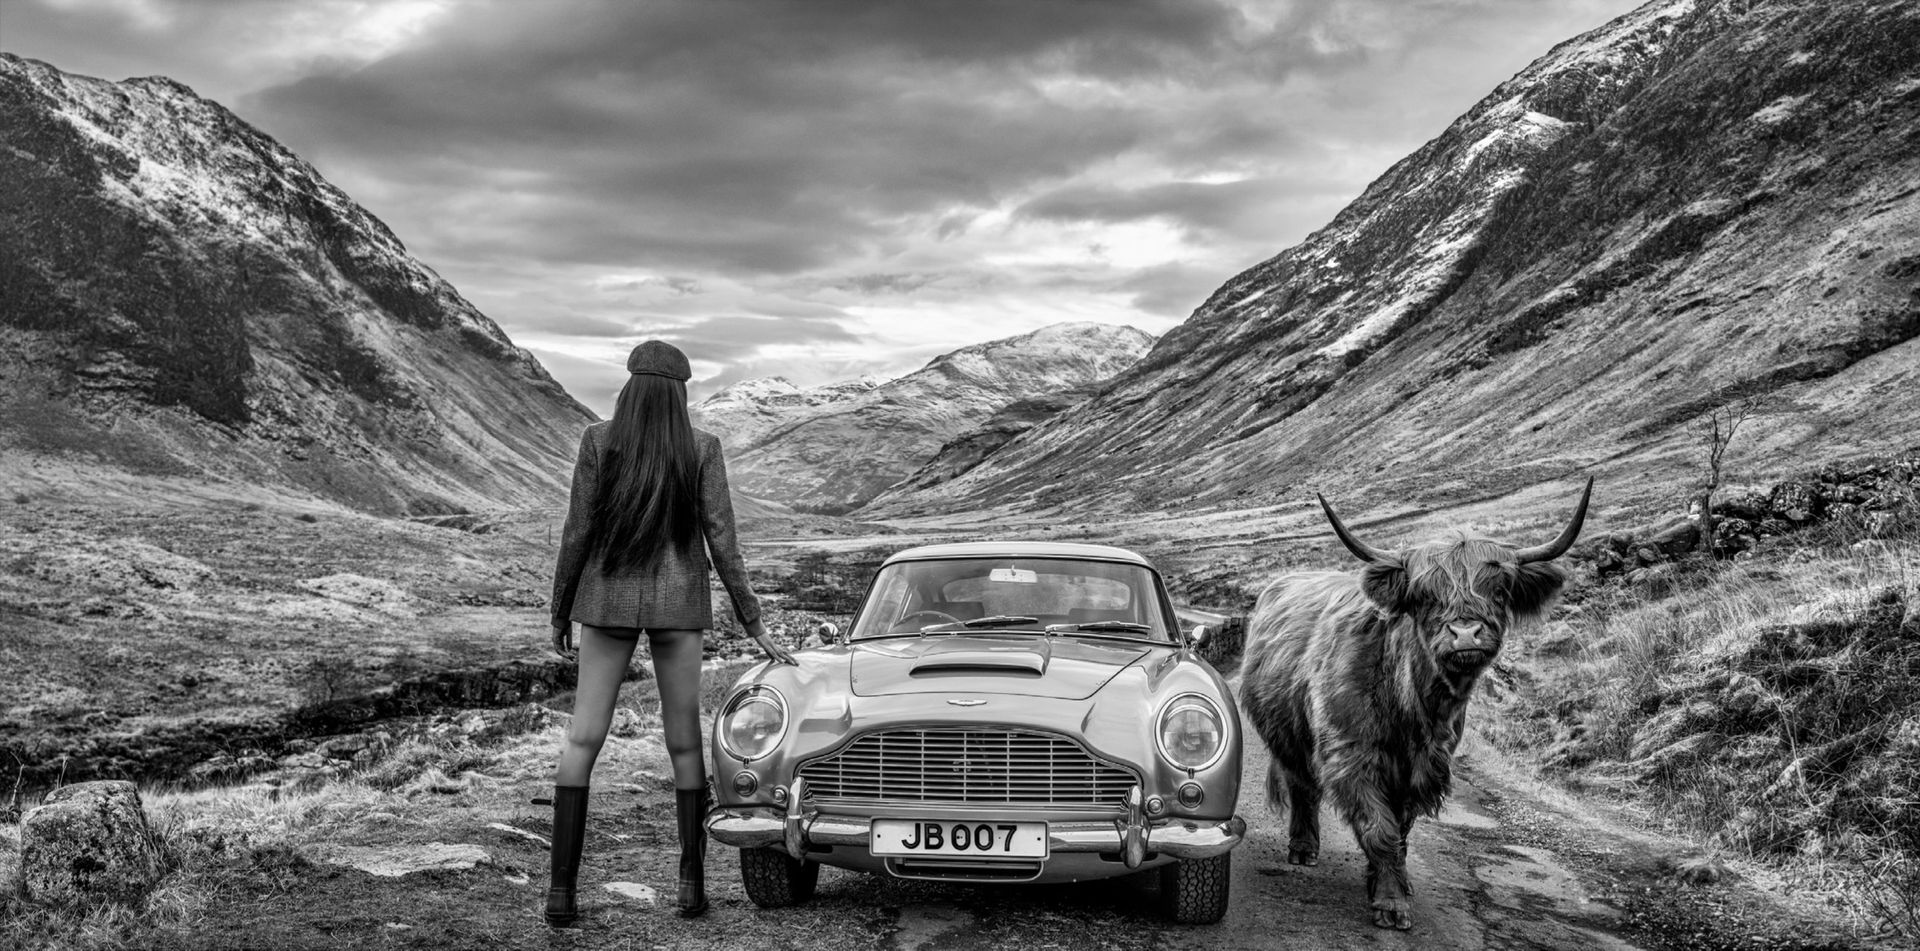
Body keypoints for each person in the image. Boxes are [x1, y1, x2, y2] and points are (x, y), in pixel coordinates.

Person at [543, 339, 796, 926]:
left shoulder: (597, 440)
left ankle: (561, 895)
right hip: (679, 605)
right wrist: (752, 620)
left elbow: (576, 533)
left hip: (604, 603)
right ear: (679, 391)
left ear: (630, 386)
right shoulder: (702, 448)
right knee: (684, 741)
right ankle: (690, 888)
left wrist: (561, 610)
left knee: (582, 740)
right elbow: (722, 539)